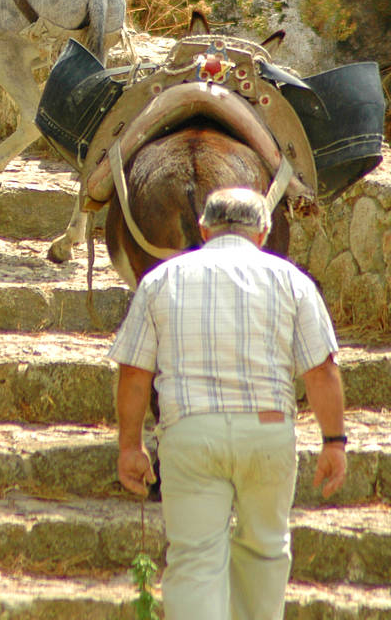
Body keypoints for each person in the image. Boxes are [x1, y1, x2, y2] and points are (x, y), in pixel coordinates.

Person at [109, 186, 347, 620]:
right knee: (267, 551)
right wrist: (333, 441)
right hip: (269, 430)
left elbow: (134, 371)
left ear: (203, 229)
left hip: (190, 432)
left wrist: (130, 445)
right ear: (264, 232)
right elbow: (322, 370)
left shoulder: (162, 279)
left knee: (195, 559)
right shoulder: (292, 280)